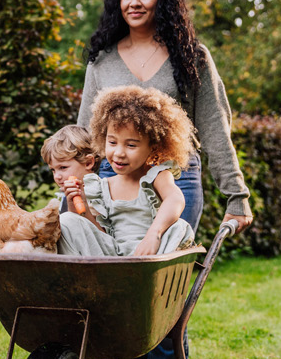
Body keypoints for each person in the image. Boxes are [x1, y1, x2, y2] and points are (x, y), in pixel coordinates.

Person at [75, 0, 255, 359]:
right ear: (119, 2)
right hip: (114, 180)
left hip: (178, 178)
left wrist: (236, 195)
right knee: (114, 271)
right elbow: (85, 131)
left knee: (166, 278)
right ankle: (124, 357)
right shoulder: (103, 59)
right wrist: (74, 183)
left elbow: (214, 127)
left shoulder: (191, 55)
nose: (135, 2)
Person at [55, 86, 195, 257]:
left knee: (179, 226)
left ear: (154, 146)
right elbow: (99, 234)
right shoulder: (102, 187)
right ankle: (82, 278)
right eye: (112, 142)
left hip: (152, 252)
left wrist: (154, 235)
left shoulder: (157, 176)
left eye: (131, 145)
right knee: (67, 220)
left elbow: (175, 199)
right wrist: (78, 205)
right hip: (113, 257)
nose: (119, 153)